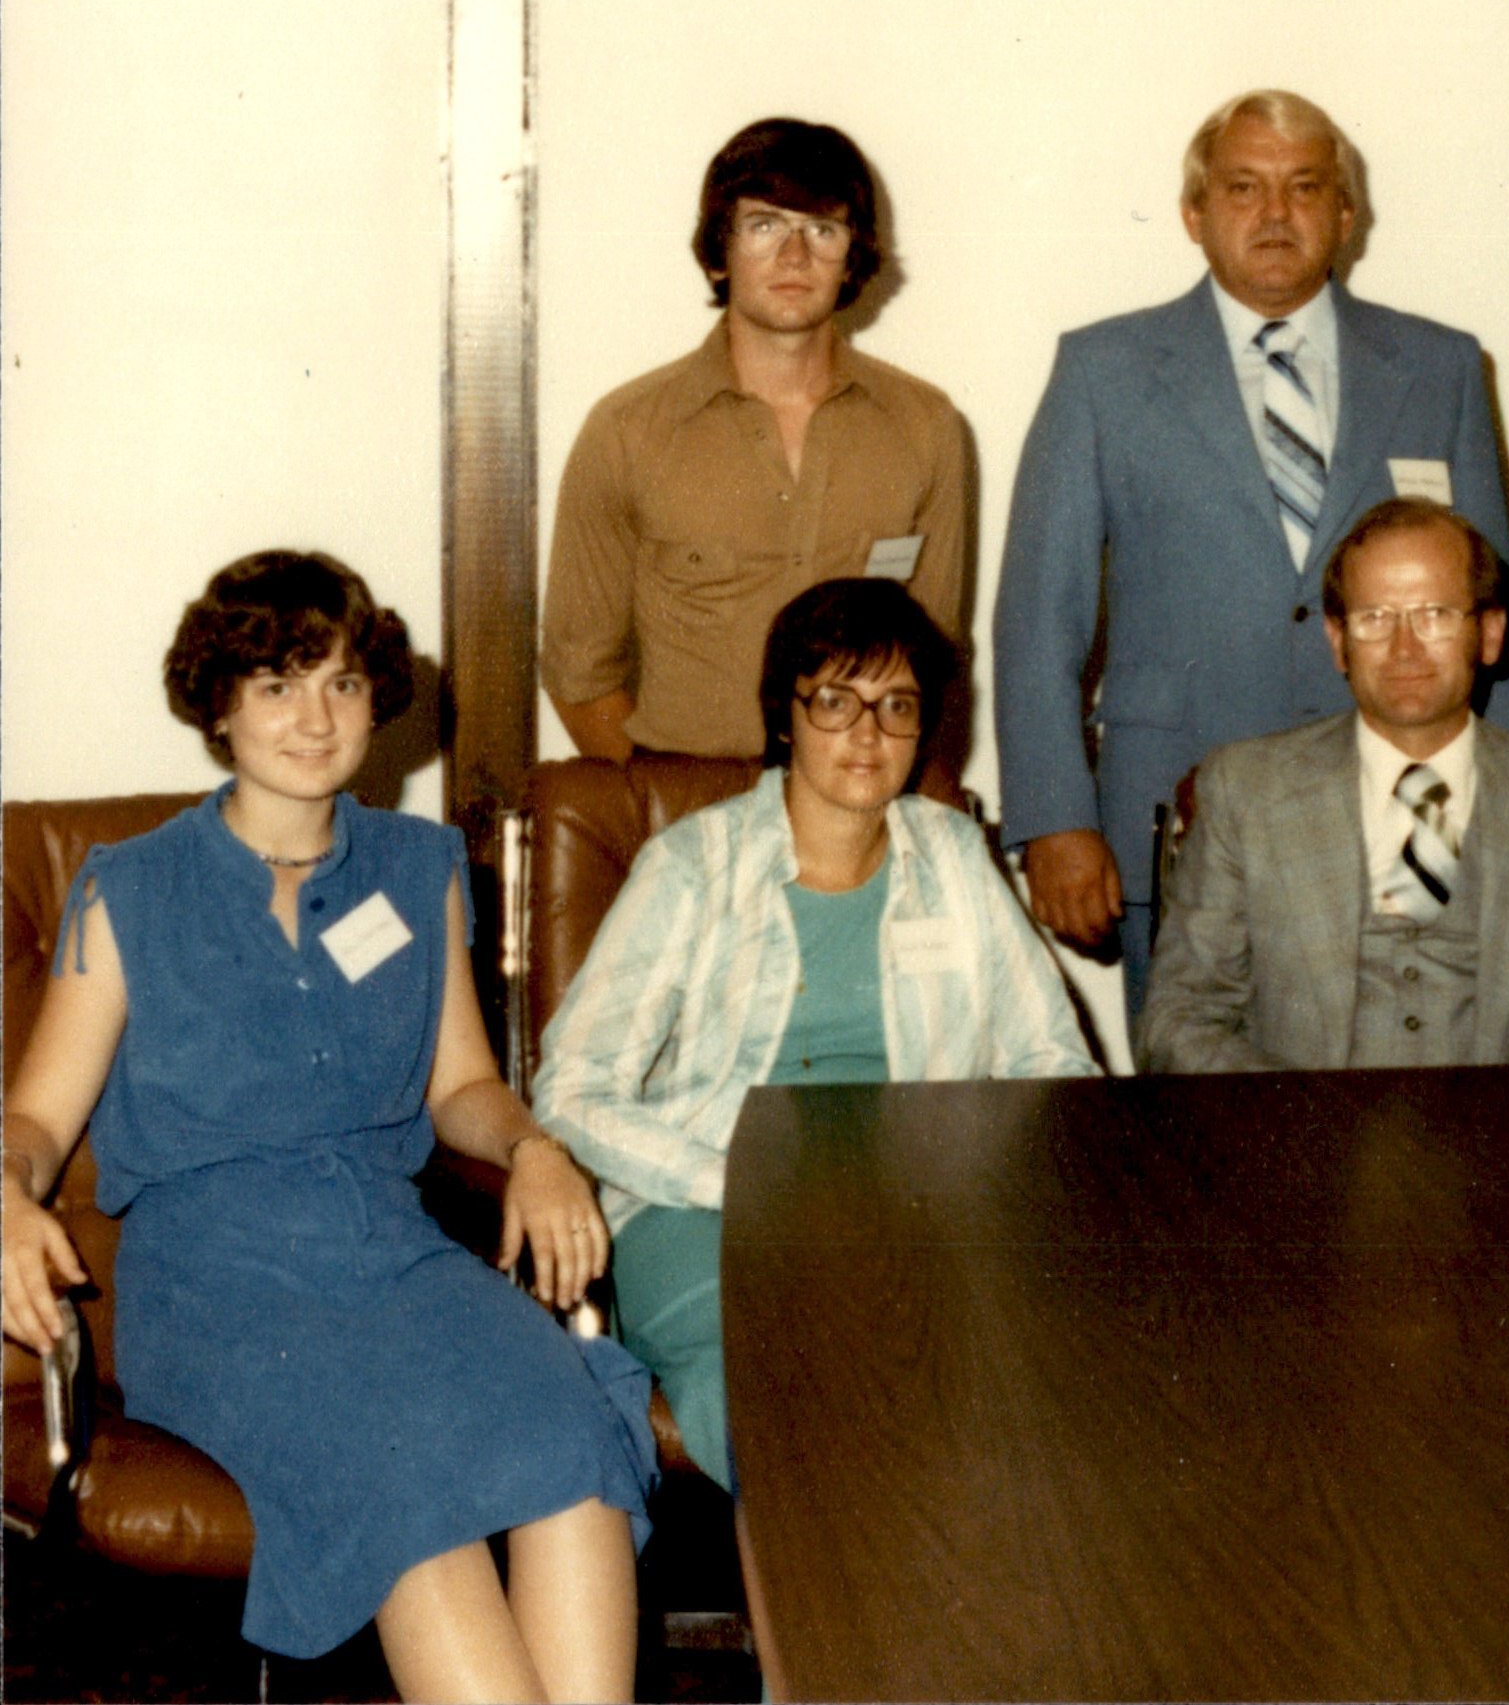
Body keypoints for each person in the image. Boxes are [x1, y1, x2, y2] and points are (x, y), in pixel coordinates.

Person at [0, 552, 652, 1697]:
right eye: (277, 685)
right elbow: (38, 1120)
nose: (315, 717)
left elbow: (462, 1085)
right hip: (215, 1278)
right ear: (220, 705)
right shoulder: (130, 888)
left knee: (575, 1440)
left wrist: (533, 1147)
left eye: (342, 683)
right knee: (406, 1499)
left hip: (389, 1254)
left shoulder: (418, 868)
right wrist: (5, 1191)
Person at [534, 577, 1096, 1492]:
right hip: (704, 1209)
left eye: (897, 706)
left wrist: (973, 1178)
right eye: (836, 701)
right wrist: (739, 1180)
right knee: (785, 1401)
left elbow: (1050, 1062)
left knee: (1000, 1392)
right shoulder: (693, 862)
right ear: (786, 716)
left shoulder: (953, 855)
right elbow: (575, 1086)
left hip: (913, 1207)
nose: (868, 735)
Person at [995, 89, 1509, 1013]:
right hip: (1177, 811)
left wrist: (1508, 813)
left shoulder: (1440, 369)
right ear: (1195, 214)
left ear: (1346, 215)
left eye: (1304, 187)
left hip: (1408, 811)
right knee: (1196, 1119)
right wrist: (1055, 819)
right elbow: (1040, 618)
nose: (1275, 215)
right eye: (1243, 188)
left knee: (1405, 1104)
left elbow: (1493, 616)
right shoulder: (1103, 372)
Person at [1140, 501, 1509, 1074]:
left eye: (1435, 614)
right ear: (1338, 641)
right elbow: (1180, 1019)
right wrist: (1299, 1126)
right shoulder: (1246, 793)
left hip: (1507, 1149)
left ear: (1490, 634)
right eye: (1375, 618)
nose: (1405, 648)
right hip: (1302, 1142)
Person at [542, 117, 973, 762]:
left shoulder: (926, 429)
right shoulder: (627, 433)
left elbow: (934, 664)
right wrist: (672, 826)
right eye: (765, 224)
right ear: (720, 248)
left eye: (822, 229)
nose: (794, 257)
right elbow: (580, 675)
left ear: (854, 254)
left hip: (860, 815)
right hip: (680, 810)